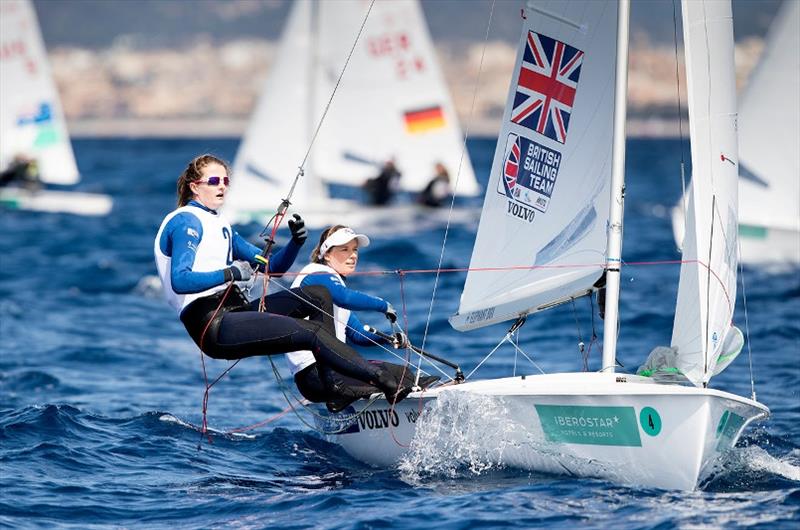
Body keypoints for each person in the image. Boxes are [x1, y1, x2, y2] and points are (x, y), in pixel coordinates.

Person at [154, 154, 412, 404]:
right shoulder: (185, 221)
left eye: (225, 181)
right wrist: (232, 272)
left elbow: (272, 268)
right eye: (214, 181)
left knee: (318, 294)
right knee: (310, 332)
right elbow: (181, 280)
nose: (222, 186)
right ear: (194, 187)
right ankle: (363, 380)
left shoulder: (221, 225)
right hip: (210, 323)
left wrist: (295, 243)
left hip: (234, 310)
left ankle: (332, 378)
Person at [287, 225, 440, 412]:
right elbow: (346, 298)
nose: (353, 256)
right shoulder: (317, 274)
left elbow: (358, 334)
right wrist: (382, 305)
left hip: (332, 371)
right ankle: (341, 398)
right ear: (326, 254)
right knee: (395, 381)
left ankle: (346, 398)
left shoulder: (330, 288)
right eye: (345, 250)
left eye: (355, 250)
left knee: (403, 374)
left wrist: (388, 339)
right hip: (314, 376)